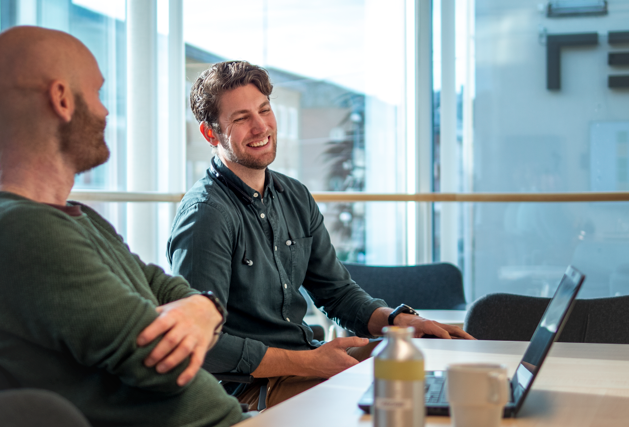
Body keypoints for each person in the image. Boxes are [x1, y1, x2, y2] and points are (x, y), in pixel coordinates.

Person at [0, 27, 246, 427]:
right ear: (62, 99)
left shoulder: (75, 218)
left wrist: (203, 306)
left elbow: (164, 288)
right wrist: (205, 310)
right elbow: (165, 364)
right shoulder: (19, 232)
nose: (105, 111)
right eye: (96, 93)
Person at [167, 60, 474, 408]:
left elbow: (337, 293)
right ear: (211, 134)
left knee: (431, 363)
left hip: (306, 364)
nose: (261, 126)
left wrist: (398, 321)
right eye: (241, 118)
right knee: (398, 400)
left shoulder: (294, 195)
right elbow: (202, 346)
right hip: (250, 390)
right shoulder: (206, 214)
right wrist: (311, 363)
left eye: (264, 110)